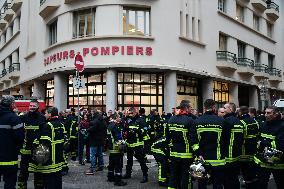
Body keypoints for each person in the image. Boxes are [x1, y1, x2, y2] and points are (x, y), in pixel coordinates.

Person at [191, 99, 226, 189]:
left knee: (202, 184)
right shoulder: (221, 121)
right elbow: (226, 140)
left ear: (204, 107)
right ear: (214, 107)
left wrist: (198, 154)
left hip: (202, 159)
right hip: (218, 158)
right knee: (217, 184)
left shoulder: (197, 121)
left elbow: (193, 141)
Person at [28, 107, 66, 189]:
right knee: (58, 182)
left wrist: (35, 142)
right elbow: (65, 141)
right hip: (58, 160)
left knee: (49, 183)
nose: (44, 115)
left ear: (49, 114)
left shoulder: (48, 126)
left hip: (49, 162)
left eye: (45, 113)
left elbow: (43, 144)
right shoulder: (61, 125)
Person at [166, 100, 195, 189]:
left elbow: (167, 138)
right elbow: (192, 139)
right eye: (190, 107)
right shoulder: (190, 120)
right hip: (186, 154)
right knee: (185, 176)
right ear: (186, 108)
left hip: (174, 153)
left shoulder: (171, 119)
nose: (191, 109)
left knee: (173, 175)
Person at [17, 99, 46, 189]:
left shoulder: (41, 117)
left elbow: (43, 133)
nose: (32, 107)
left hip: (37, 150)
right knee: (23, 172)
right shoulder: (23, 117)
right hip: (25, 149)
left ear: (38, 107)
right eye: (30, 106)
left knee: (38, 172)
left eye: (34, 106)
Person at [255, 106, 284, 189]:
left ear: (275, 114)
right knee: (261, 185)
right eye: (265, 113)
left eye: (268, 113)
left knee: (281, 184)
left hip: (277, 162)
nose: (266, 115)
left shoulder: (282, 126)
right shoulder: (263, 124)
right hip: (264, 161)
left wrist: (263, 144)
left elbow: (280, 144)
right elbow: (258, 138)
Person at [0, 95, 25, 189]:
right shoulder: (14, 118)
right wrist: (16, 148)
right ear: (11, 104)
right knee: (9, 184)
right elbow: (20, 137)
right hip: (9, 158)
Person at [122, 107, 149, 183]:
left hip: (138, 143)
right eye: (129, 113)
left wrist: (138, 130)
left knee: (141, 160)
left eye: (132, 113)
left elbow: (146, 129)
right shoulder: (128, 119)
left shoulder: (141, 120)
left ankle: (145, 175)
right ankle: (128, 173)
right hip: (129, 143)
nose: (131, 115)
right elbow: (125, 129)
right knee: (129, 160)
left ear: (135, 112)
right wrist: (124, 133)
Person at [223, 102, 244, 189]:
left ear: (230, 109)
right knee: (235, 178)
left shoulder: (226, 121)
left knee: (227, 179)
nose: (223, 110)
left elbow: (223, 139)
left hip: (228, 155)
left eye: (225, 108)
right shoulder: (240, 122)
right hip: (237, 154)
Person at [238, 106, 260, 189]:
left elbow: (240, 138)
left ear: (240, 112)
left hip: (244, 151)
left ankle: (248, 185)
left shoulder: (241, 123)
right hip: (254, 150)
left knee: (246, 172)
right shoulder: (256, 122)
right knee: (252, 171)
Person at [107, 115, 127, 186]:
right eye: (119, 117)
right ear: (116, 118)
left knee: (111, 164)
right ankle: (118, 180)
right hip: (116, 148)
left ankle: (110, 177)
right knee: (118, 165)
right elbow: (118, 137)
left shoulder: (109, 125)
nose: (120, 118)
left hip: (111, 148)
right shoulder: (115, 126)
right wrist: (123, 143)